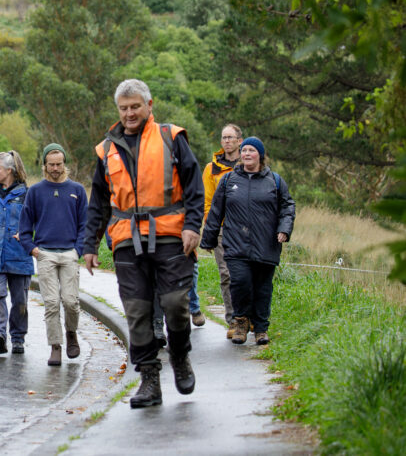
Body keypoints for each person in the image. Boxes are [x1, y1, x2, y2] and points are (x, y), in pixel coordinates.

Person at [83, 79, 204, 409]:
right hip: (126, 240)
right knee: (137, 312)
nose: (129, 113)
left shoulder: (171, 138)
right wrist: (90, 245)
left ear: (150, 105)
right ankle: (149, 379)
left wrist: (193, 227)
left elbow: (195, 187)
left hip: (170, 234)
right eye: (123, 108)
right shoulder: (105, 149)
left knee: (177, 303)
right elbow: (99, 202)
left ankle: (180, 357)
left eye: (135, 106)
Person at [201, 137, 295, 346]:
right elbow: (216, 210)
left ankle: (261, 328)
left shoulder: (275, 181)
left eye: (252, 150)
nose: (246, 154)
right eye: (244, 151)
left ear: (260, 155)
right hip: (236, 242)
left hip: (266, 243)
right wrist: (208, 239)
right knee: (240, 282)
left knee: (262, 287)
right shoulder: (228, 181)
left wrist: (284, 230)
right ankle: (241, 322)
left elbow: (287, 207)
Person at [19, 143, 89, 366]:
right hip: (45, 253)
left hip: (69, 252)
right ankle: (55, 346)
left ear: (64, 164)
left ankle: (71, 333)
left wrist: (79, 249)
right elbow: (25, 224)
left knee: (70, 301)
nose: (56, 168)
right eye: (51, 165)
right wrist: (32, 248)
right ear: (44, 165)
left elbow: (84, 224)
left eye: (59, 164)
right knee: (51, 302)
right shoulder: (35, 191)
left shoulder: (77, 190)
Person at [0, 151, 33, 355]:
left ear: (9, 170)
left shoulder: (26, 194)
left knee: (20, 300)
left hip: (19, 255)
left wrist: (30, 240)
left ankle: (18, 338)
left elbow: (36, 224)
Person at [202, 123, 243, 337]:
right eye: (223, 137)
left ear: (239, 141)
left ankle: (249, 316)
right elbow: (207, 201)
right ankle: (233, 319)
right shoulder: (212, 168)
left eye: (230, 137)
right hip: (221, 228)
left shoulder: (248, 163)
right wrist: (210, 230)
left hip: (245, 229)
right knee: (226, 274)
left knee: (246, 274)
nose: (226, 141)